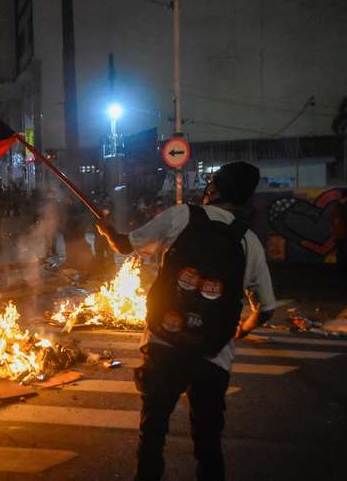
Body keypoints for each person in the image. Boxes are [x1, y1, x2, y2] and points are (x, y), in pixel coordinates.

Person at [96, 162, 276, 481]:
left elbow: (125, 246)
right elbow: (266, 308)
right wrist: (242, 329)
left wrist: (106, 228)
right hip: (213, 355)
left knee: (152, 435)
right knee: (208, 444)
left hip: (164, 344)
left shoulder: (182, 216)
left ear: (214, 189)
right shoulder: (249, 241)